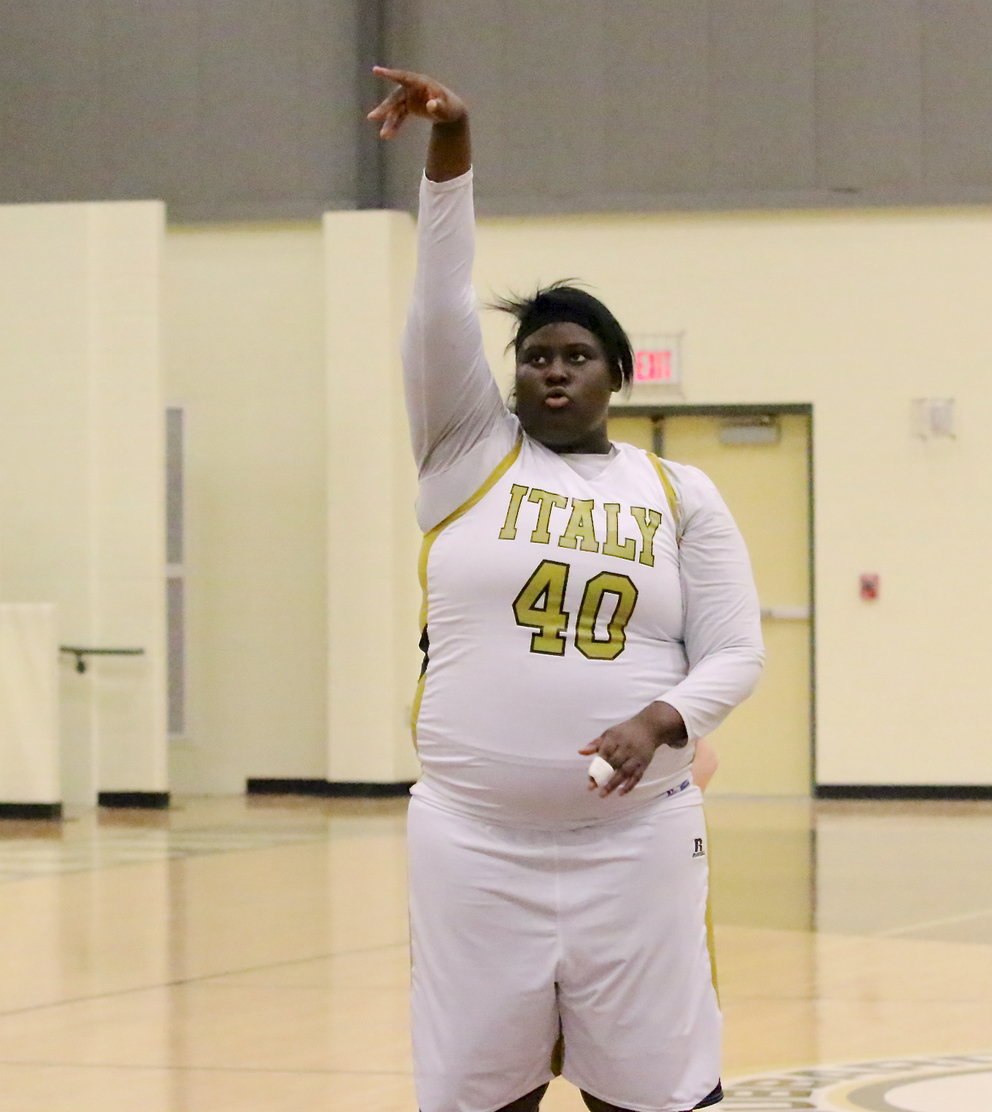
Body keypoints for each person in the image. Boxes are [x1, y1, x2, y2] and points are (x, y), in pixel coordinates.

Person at [368, 68, 764, 1112]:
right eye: (535, 355)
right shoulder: (466, 454)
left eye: (577, 355)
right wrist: (452, 146)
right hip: (471, 840)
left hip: (633, 843)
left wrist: (662, 714)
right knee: (476, 1092)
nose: (553, 371)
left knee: (651, 1093)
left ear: (617, 374)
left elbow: (737, 650)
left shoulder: (680, 491)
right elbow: (440, 297)